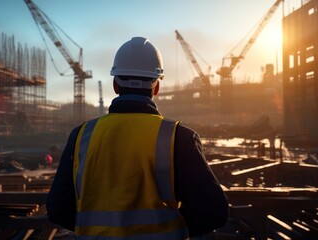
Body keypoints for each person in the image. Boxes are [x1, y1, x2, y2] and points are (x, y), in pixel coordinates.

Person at [46, 36, 229, 239]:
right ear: (156, 87)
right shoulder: (179, 138)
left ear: (115, 85)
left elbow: (57, 209)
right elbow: (214, 213)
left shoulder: (82, 136)